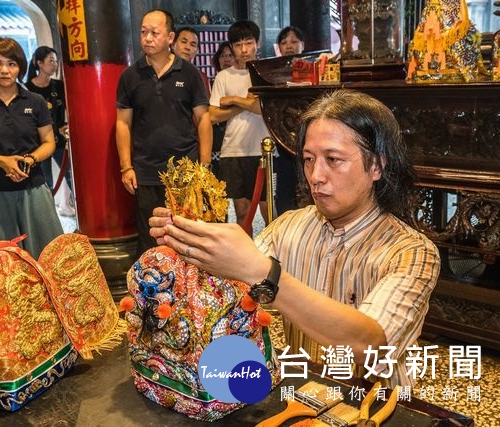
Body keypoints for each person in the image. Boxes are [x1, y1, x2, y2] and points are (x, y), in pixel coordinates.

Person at [149, 89, 441, 388]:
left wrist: (265, 274)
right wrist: (189, 238)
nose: (316, 175)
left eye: (333, 159)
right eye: (309, 160)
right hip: (303, 392)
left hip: (375, 405)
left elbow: (369, 344)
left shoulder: (412, 252)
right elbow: (227, 287)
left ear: (377, 165)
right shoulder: (289, 227)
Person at [116, 9, 211, 256]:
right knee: (152, 239)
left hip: (185, 170)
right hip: (146, 171)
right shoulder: (130, 76)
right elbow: (123, 123)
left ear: (170, 38)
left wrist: (204, 165)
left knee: (188, 235)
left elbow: (203, 118)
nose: (147, 38)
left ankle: (190, 290)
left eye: (154, 33)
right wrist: (126, 167)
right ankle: (153, 293)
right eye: (143, 32)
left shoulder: (189, 74)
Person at [0, 37, 63, 259]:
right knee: (2, 260)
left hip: (34, 187)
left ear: (21, 66)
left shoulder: (35, 101)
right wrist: (3, 161)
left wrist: (29, 160)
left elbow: (49, 143)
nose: (5, 71)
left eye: (12, 64)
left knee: (48, 254)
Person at [209, 20, 270, 232]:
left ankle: (273, 259)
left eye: (248, 43)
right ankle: (243, 262)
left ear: (257, 43)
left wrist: (234, 99)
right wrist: (246, 102)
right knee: (242, 214)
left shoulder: (266, 73)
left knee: (269, 212)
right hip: (233, 151)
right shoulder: (223, 76)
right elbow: (213, 116)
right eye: (238, 45)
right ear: (232, 47)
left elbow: (265, 109)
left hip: (265, 150)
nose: (244, 50)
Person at [25, 46, 74, 215]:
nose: (54, 65)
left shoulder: (59, 86)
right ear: (39, 63)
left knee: (69, 175)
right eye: (50, 61)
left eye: (55, 61)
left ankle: (75, 207)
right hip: (39, 144)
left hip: (60, 141)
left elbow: (69, 109)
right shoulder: (27, 89)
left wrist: (67, 126)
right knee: (46, 180)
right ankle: (48, 215)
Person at [274, 26, 305, 215]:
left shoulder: (313, 66)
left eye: (294, 42)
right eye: (284, 42)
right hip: (283, 138)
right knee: (284, 194)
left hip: (307, 138)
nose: (289, 46)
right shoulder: (272, 71)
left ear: (303, 45)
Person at [209, 41, 235, 177]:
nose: (226, 59)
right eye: (222, 55)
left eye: (230, 55)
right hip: (214, 140)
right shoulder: (211, 83)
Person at [171, 26, 210, 95]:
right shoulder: (162, 72)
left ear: (197, 51)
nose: (187, 47)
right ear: (173, 45)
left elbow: (205, 104)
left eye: (192, 44)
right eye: (184, 42)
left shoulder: (201, 77)